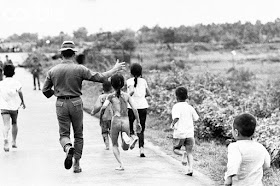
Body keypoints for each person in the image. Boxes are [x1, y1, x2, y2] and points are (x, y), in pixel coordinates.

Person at [42, 41, 125, 173]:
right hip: (76, 102)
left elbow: (45, 90)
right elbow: (100, 77)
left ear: (61, 54)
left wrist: (57, 94)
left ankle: (68, 147)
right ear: (74, 54)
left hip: (61, 103)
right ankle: (76, 164)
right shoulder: (80, 69)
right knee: (78, 135)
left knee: (64, 134)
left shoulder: (53, 71)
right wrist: (114, 70)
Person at [100, 74, 142, 171]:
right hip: (125, 120)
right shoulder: (127, 96)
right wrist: (138, 122)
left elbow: (103, 107)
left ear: (112, 85)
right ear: (123, 84)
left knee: (114, 144)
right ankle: (127, 137)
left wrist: (101, 117)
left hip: (115, 120)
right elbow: (135, 109)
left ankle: (121, 164)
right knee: (125, 148)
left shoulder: (110, 96)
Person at [224, 113, 271, 186]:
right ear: (253, 133)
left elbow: (234, 162)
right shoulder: (260, 147)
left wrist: (229, 178)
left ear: (236, 132)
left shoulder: (234, 146)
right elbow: (267, 164)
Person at [170, 86, 199, 176]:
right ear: (187, 96)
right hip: (190, 133)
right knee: (190, 152)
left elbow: (176, 117)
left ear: (176, 97)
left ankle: (183, 153)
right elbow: (196, 118)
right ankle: (190, 169)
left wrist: (172, 124)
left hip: (179, 133)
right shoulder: (190, 107)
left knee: (175, 149)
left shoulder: (176, 106)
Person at [126, 63, 151, 157]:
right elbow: (149, 93)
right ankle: (141, 150)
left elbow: (131, 91)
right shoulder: (143, 81)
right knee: (141, 128)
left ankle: (133, 137)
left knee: (129, 126)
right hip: (143, 106)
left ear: (131, 72)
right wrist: (141, 96)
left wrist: (127, 97)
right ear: (141, 72)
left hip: (132, 107)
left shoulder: (129, 81)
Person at [0, 64, 26, 152]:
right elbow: (20, 91)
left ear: (4, 73)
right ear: (14, 72)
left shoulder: (1, 83)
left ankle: (5, 139)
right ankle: (14, 141)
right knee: (14, 123)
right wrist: (22, 101)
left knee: (6, 125)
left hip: (4, 107)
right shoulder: (16, 82)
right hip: (14, 107)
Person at [91, 80, 113, 150]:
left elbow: (97, 106)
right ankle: (115, 143)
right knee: (111, 131)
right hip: (112, 117)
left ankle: (107, 145)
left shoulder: (101, 97)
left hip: (103, 117)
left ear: (103, 88)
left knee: (104, 132)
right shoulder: (112, 96)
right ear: (111, 88)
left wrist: (93, 112)